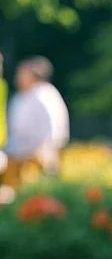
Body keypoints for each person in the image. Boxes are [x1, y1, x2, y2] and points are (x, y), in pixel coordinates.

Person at [3, 56, 70, 189]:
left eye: (22, 73)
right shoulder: (20, 97)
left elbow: (55, 124)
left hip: (41, 149)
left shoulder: (46, 94)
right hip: (18, 150)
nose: (18, 77)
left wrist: (50, 150)